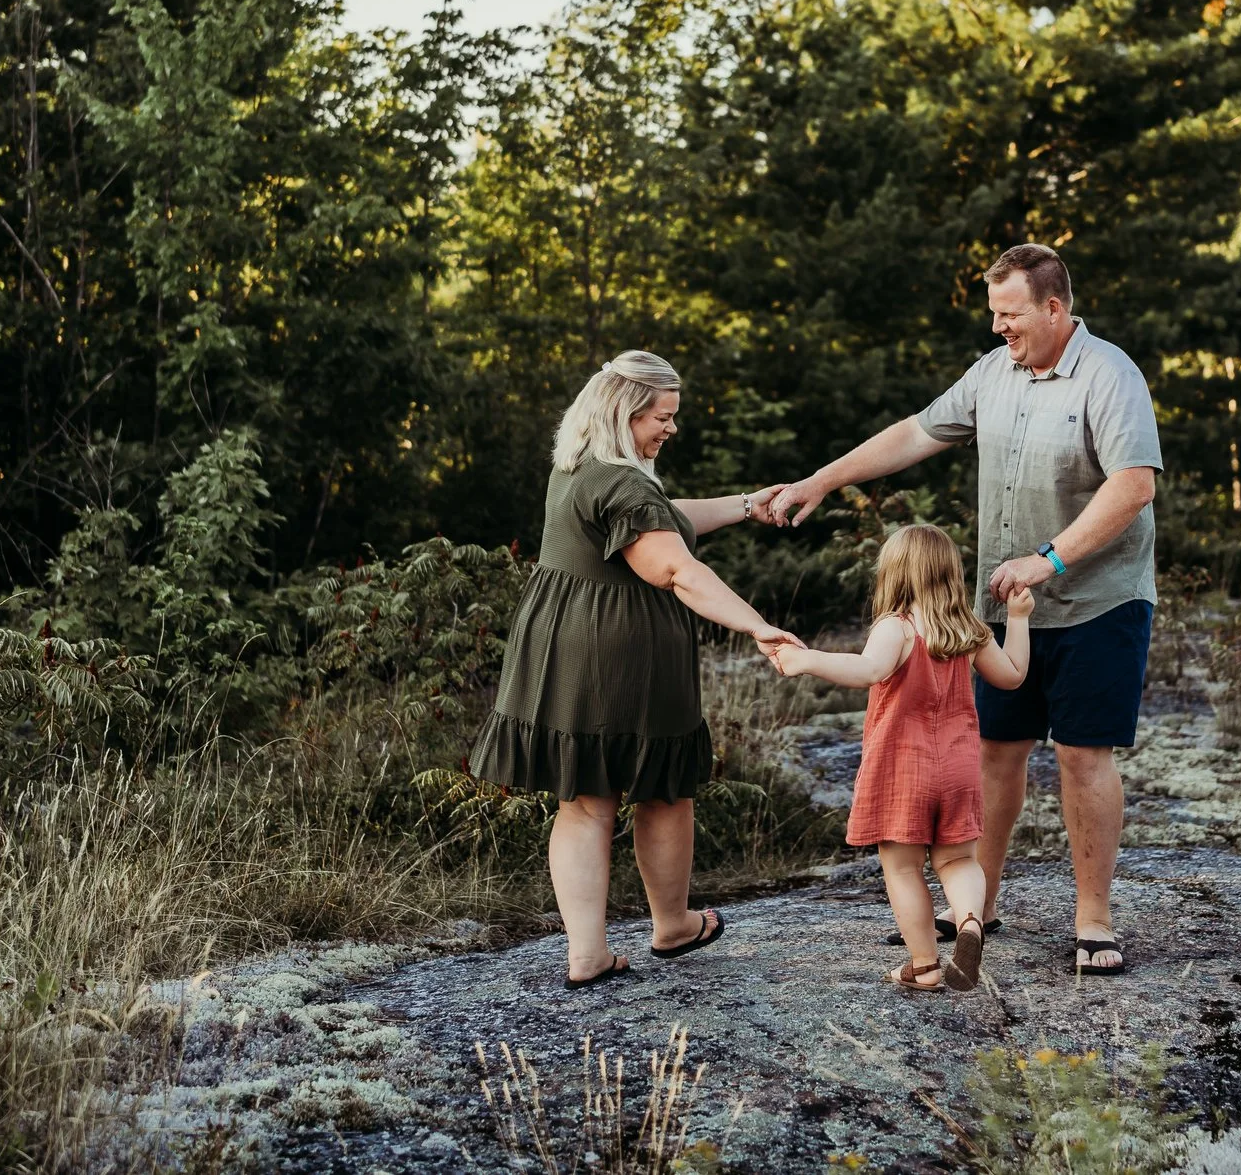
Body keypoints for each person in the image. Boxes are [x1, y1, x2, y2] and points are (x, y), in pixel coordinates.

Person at [764, 244, 1161, 977]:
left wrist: (1048, 560)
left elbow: (1135, 485)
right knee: (995, 751)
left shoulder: (1110, 374)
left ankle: (1093, 919)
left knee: (1081, 753)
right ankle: (975, 905)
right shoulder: (992, 374)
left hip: (1099, 603)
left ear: (1054, 306)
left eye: (1010, 316)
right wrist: (823, 478)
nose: (998, 331)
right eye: (993, 317)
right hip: (1001, 608)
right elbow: (917, 432)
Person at [470, 350, 798, 989]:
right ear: (625, 412)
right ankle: (672, 925)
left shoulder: (581, 469)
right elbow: (675, 567)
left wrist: (745, 503)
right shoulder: (621, 482)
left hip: (562, 652)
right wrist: (756, 624)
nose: (671, 429)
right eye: (662, 417)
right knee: (665, 791)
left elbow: (662, 520)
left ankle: (587, 953)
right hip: (625, 657)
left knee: (586, 800)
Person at [768, 525, 1031, 992]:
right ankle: (970, 921)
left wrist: (807, 661)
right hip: (959, 766)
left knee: (903, 867)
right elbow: (1012, 677)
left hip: (903, 768)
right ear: (950, 574)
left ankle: (925, 965)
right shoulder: (967, 628)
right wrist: (1019, 617)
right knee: (958, 861)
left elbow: (869, 670)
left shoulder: (896, 626)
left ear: (894, 574)